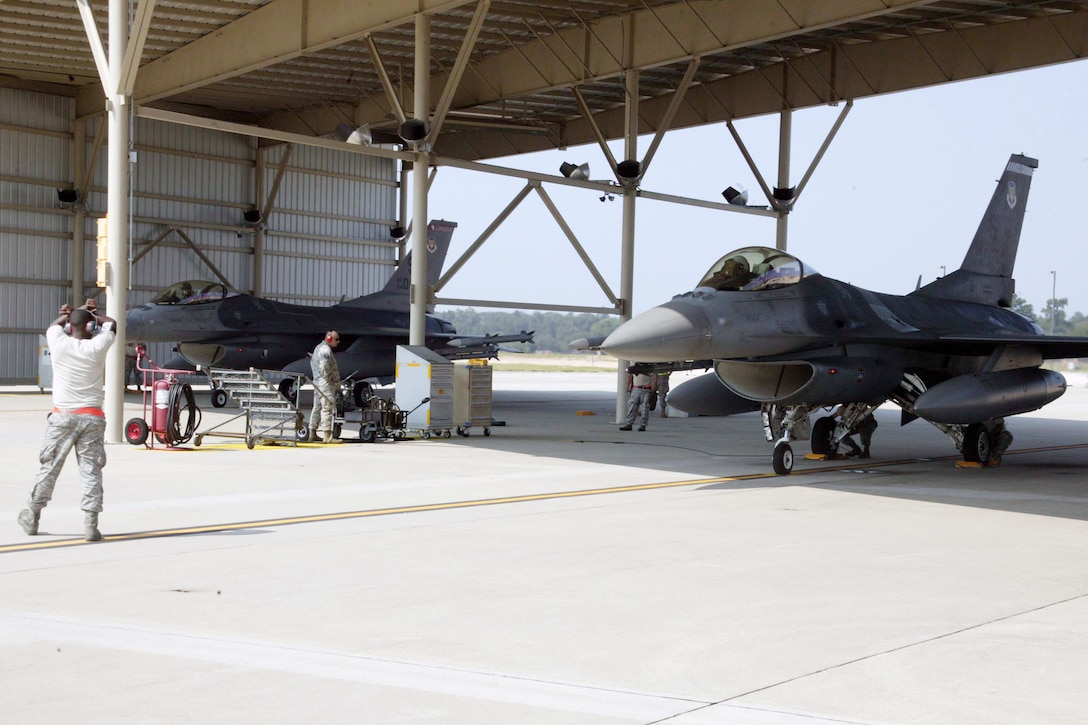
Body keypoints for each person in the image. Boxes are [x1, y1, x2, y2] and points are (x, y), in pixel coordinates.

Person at [18, 300, 117, 542]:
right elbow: (111, 325)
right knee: (91, 471)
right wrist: (93, 314)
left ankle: (32, 516)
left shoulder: (58, 342)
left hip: (62, 417)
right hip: (92, 417)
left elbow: (53, 326)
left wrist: (71, 313)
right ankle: (91, 524)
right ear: (90, 326)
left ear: (70, 327)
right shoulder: (98, 347)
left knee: (49, 468)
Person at [308, 330, 341, 443]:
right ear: (329, 339)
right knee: (327, 407)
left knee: (317, 407)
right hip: (324, 384)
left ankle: (312, 433)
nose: (338, 342)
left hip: (317, 383)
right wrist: (330, 379)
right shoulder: (325, 350)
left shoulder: (318, 348)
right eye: (336, 339)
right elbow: (325, 366)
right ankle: (327, 436)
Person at [619, 367, 656, 432]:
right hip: (636, 388)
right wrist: (628, 386)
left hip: (646, 389)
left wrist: (653, 389)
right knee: (632, 407)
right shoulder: (634, 367)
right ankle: (629, 423)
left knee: (645, 409)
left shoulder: (650, 366)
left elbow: (655, 377)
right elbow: (630, 375)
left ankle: (643, 425)